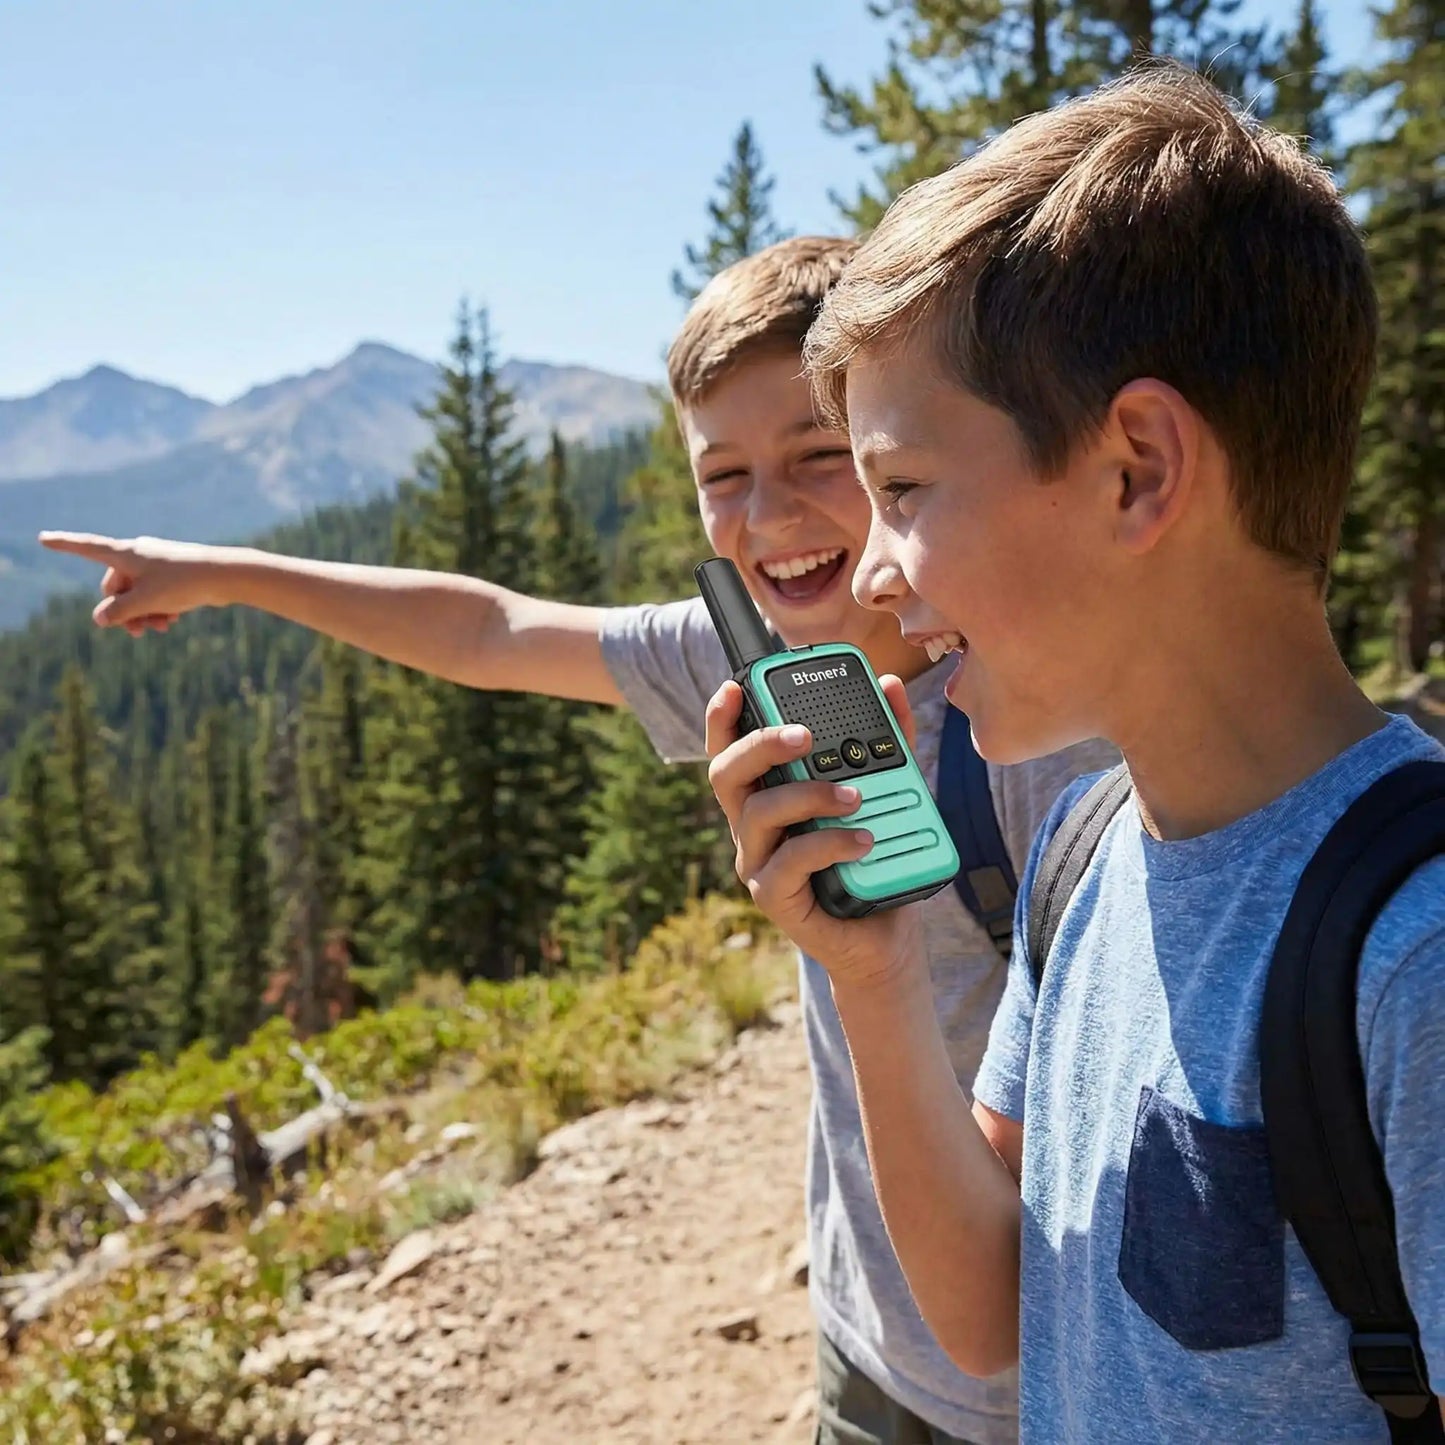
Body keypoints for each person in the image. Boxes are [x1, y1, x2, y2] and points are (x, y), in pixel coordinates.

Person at [40, 235, 1115, 1445]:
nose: (768, 517)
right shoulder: (746, 655)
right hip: (864, 1339)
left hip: (1036, 1383)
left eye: (819, 457)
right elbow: (493, 631)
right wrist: (226, 573)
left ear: (888, 446)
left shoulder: (1033, 734)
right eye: (722, 476)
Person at [701, 65, 1445, 1444]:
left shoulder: (1418, 960)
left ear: (1139, 469)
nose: (865, 575)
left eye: (903, 490)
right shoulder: (1084, 852)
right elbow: (989, 1315)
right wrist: (872, 973)